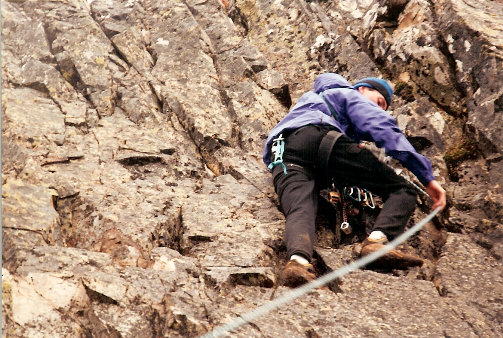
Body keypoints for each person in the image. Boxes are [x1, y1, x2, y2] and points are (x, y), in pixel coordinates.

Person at [263, 73, 446, 287]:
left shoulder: (309, 104)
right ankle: (377, 241)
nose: (379, 108)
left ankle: (297, 262)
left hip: (282, 155)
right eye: (379, 102)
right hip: (320, 136)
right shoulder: (347, 94)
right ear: (362, 89)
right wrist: (427, 177)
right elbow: (380, 125)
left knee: (300, 209)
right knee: (402, 190)